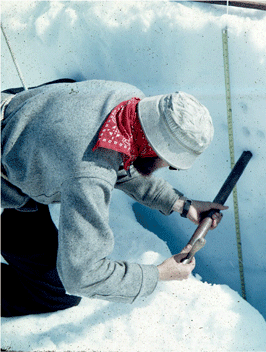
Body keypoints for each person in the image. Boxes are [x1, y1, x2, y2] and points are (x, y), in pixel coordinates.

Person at [1, 79, 228, 317]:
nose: (166, 167)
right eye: (170, 163)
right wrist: (159, 273)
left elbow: (118, 163)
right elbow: (81, 275)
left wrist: (180, 203)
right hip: (11, 176)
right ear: (154, 148)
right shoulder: (88, 176)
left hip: (21, 124)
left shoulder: (129, 100)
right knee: (55, 293)